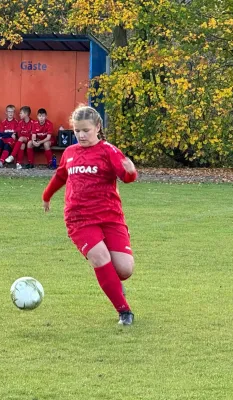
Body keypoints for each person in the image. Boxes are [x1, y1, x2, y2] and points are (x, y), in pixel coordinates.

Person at [42, 105, 138, 326]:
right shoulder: (70, 153)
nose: (81, 135)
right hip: (79, 219)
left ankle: (114, 283)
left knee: (124, 270)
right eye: (77, 131)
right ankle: (124, 312)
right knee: (100, 258)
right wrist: (46, 196)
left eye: (86, 130)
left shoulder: (109, 151)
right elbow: (60, 177)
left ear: (97, 128)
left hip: (110, 216)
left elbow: (125, 175)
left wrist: (131, 172)